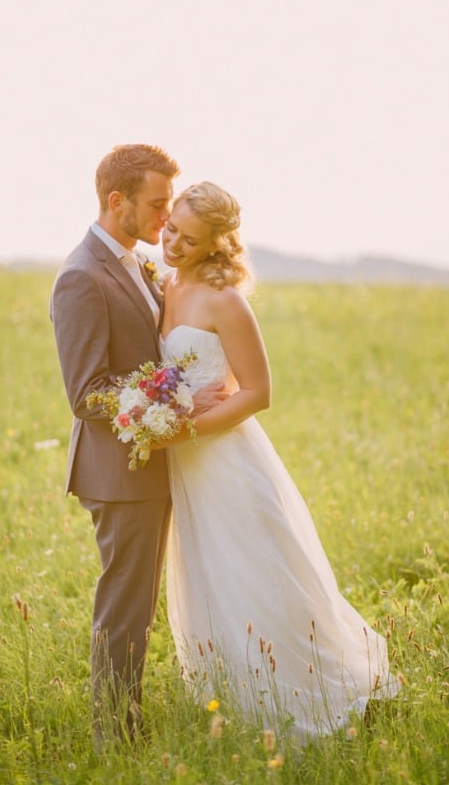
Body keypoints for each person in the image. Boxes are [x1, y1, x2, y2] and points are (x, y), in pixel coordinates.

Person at [157, 181, 399, 742]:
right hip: (185, 466)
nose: (172, 243)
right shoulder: (163, 283)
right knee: (209, 573)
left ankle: (302, 692)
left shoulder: (226, 301)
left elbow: (257, 392)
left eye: (188, 239)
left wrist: (188, 424)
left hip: (225, 460)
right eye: (170, 228)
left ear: (218, 244)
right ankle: (235, 695)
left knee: (256, 573)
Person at [49, 146, 225, 746]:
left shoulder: (137, 264)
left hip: (150, 465)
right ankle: (115, 737)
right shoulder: (81, 276)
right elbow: (87, 392)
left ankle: (126, 725)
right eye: (155, 205)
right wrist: (170, 410)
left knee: (137, 608)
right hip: (118, 474)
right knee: (125, 609)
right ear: (116, 200)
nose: (164, 218)